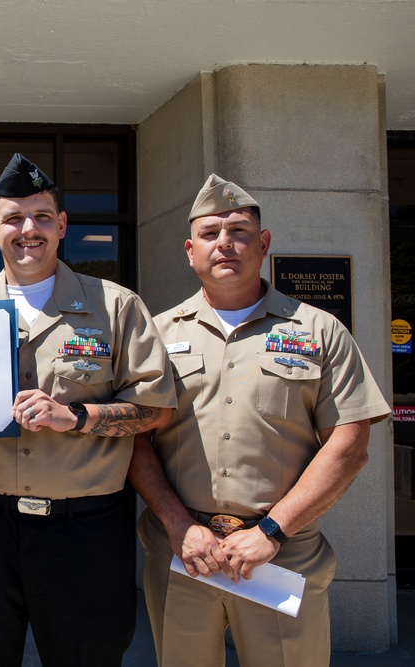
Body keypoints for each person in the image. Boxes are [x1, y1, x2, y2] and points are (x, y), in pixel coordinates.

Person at [129, 174, 392, 666]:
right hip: (183, 548)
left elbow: (349, 446)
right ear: (190, 250)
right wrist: (178, 523)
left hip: (282, 553)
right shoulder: (156, 335)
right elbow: (135, 441)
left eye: (239, 231)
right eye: (210, 234)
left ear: (264, 243)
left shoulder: (318, 331)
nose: (224, 243)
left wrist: (271, 531)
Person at [0, 153, 176, 666]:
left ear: (62, 225)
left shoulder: (116, 306)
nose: (30, 230)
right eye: (14, 218)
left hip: (83, 532)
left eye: (43, 217)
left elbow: (154, 409)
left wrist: (77, 417)